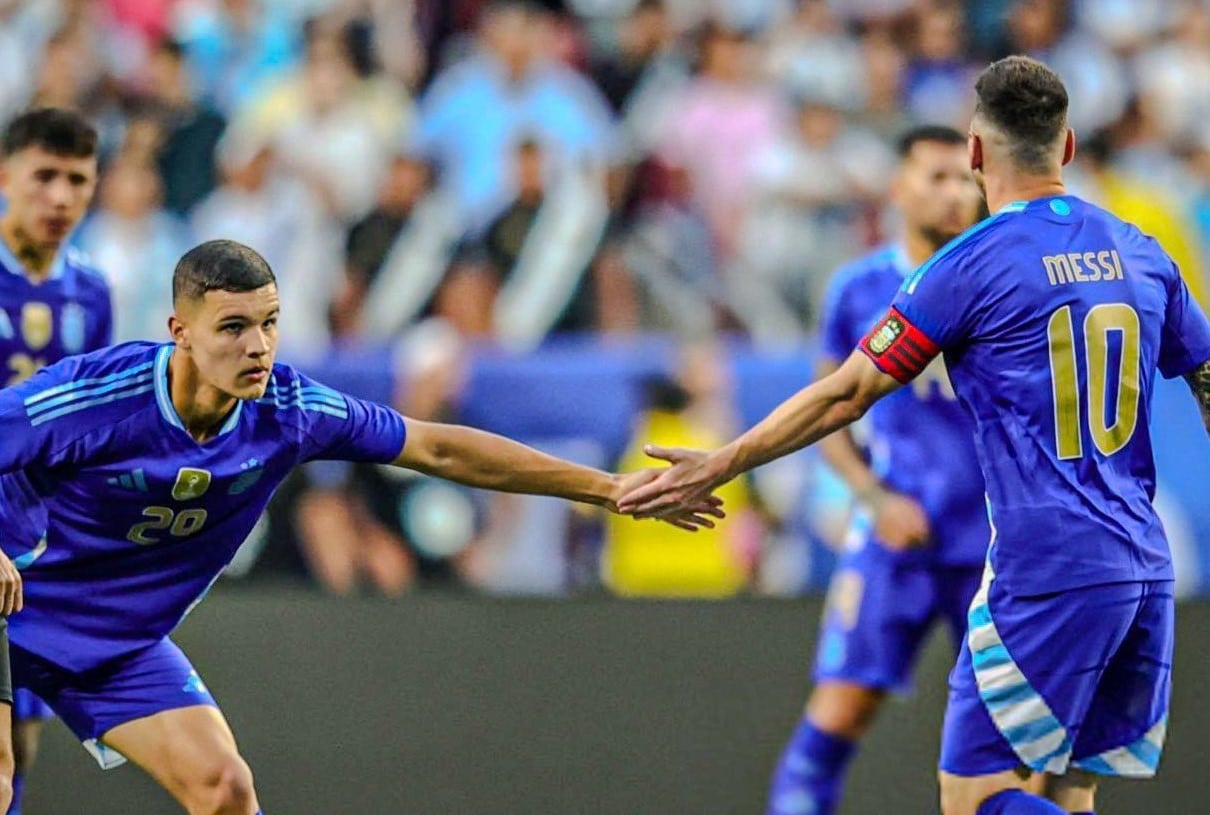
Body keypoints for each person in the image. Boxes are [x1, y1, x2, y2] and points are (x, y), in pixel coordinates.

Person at [619, 55, 1210, 815]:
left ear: (974, 153)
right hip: (1143, 563)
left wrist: (725, 460)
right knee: (1068, 792)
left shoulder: (970, 262)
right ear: (1066, 147)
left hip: (1047, 564)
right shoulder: (1140, 249)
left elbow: (848, 393)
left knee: (974, 798)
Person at [0, 238, 720, 815]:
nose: (258, 346)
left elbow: (436, 445)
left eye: (270, 322)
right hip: (15, 609)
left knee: (225, 789)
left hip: (118, 644)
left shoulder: (292, 409)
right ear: (180, 332)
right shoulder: (97, 396)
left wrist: (608, 488)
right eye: (233, 327)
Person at [765, 124, 987, 815]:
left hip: (994, 545)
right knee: (835, 717)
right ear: (899, 187)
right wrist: (871, 493)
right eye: (938, 177)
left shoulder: (999, 279)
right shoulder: (860, 288)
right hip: (900, 534)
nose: (955, 194)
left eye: (966, 179)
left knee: (1014, 747)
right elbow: (828, 409)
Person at [0, 107, 113, 815]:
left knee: (23, 745)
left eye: (78, 181)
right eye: (44, 177)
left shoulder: (91, 292)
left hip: (34, 543)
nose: (61, 198)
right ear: (6, 176)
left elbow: (88, 428)